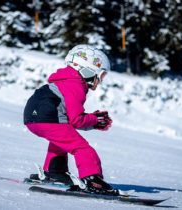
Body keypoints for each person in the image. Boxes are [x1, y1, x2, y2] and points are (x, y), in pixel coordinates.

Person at [23, 45, 116, 195]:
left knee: (61, 140)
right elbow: (76, 120)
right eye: (101, 75)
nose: (100, 81)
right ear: (88, 69)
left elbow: (70, 118)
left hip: (32, 119)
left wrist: (92, 120)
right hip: (48, 118)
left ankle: (56, 172)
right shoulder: (75, 85)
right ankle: (92, 180)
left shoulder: (64, 81)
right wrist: (94, 120)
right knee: (82, 148)